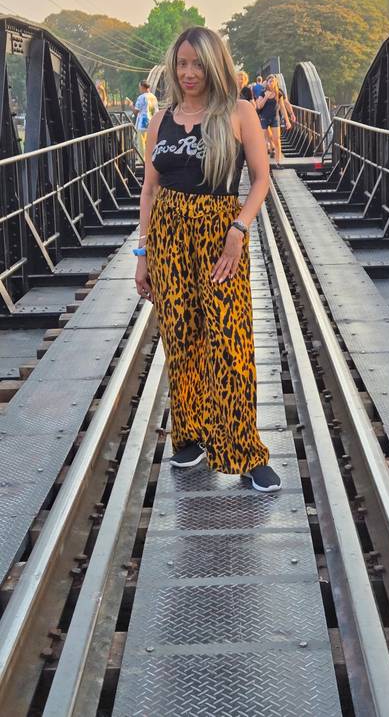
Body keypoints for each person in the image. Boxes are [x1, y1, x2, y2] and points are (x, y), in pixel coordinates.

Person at [134, 26, 281, 492]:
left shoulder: (237, 113)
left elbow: (260, 179)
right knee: (181, 338)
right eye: (182, 63)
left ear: (214, 64)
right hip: (168, 238)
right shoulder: (163, 120)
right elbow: (150, 189)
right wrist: (143, 254)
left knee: (230, 343)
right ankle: (191, 435)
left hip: (220, 235)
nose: (189, 72)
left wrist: (239, 229)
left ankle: (244, 449)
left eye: (198, 63)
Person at [256, 74, 292, 165]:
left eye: (273, 81)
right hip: (264, 118)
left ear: (276, 82)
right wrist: (266, 97)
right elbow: (259, 106)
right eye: (270, 81)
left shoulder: (278, 93)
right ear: (267, 83)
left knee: (277, 140)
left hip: (275, 118)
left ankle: (278, 162)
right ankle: (264, 163)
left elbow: (283, 108)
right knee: (264, 141)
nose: (271, 83)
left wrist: (287, 121)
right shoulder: (263, 93)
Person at [129, 80, 158, 160]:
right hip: (152, 124)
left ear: (142, 87)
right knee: (151, 143)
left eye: (139, 87)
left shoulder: (141, 97)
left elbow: (135, 111)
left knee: (141, 144)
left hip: (142, 124)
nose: (139, 89)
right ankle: (152, 159)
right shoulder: (153, 97)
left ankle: (142, 161)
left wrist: (131, 106)